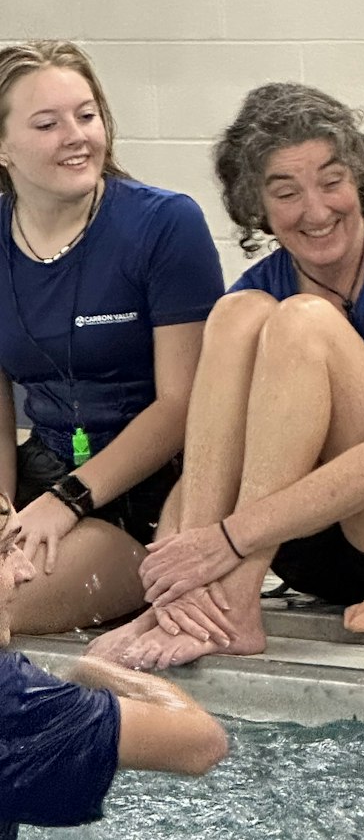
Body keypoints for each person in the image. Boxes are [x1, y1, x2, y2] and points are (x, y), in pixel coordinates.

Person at [91, 84, 364, 670]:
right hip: (318, 554)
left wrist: (226, 544)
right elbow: (209, 464)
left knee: (303, 322)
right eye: (286, 192)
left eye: (331, 181)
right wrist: (175, 584)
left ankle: (237, 597)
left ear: (360, 181)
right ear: (259, 209)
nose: (317, 210)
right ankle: (203, 605)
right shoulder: (256, 290)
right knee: (237, 313)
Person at [0, 40, 222, 635]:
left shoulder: (164, 225)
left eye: (87, 115)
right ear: (3, 148)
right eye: (47, 124)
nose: (76, 135)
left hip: (143, 498)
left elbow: (181, 405)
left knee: (3, 603)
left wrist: (68, 500)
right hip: (42, 477)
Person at [0, 491, 228, 840]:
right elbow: (202, 743)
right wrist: (98, 673)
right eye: (4, 551)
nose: (26, 570)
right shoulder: (13, 697)